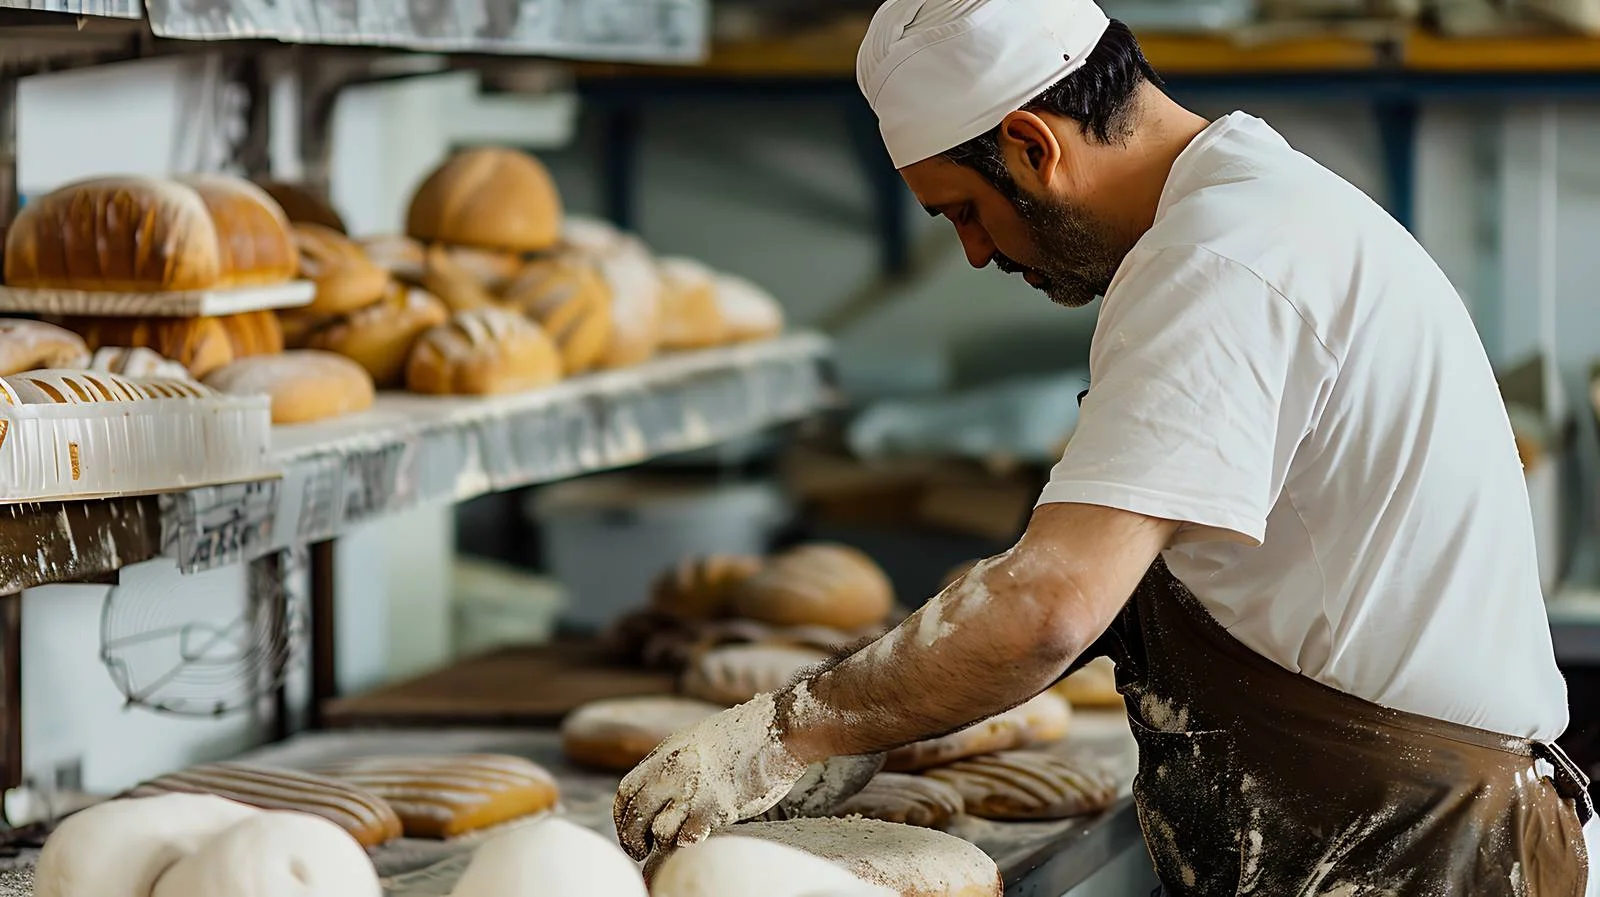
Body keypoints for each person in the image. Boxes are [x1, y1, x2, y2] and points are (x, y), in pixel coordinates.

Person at [613, 0, 1598, 892]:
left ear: (1030, 143)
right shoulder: (1251, 215)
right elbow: (1093, 582)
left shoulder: (1219, 263)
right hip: (1390, 824)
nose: (973, 251)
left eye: (963, 211)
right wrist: (877, 702)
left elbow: (1050, 607)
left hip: (1424, 851)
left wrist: (788, 732)